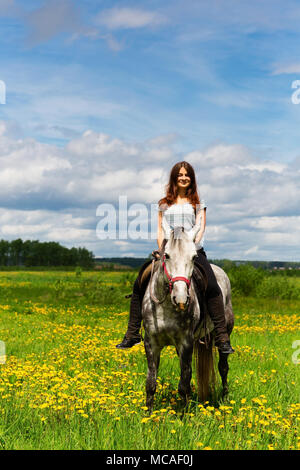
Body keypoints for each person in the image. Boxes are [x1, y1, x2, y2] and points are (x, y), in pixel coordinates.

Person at [116, 161, 234, 354]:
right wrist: (163, 251)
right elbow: (160, 230)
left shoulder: (198, 204)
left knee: (212, 285)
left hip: (191, 250)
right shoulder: (164, 204)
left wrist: (189, 247)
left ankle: (221, 337)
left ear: (192, 178)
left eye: (187, 175)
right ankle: (132, 333)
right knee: (140, 282)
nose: (183, 178)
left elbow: (200, 227)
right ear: (174, 178)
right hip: (168, 252)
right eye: (180, 175)